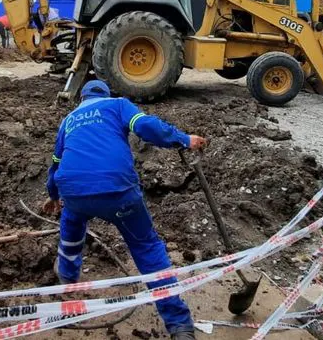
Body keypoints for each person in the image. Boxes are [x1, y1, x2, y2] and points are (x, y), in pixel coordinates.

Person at [43, 80, 207, 340]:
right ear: (106, 94)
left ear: (82, 98)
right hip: (117, 188)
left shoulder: (69, 120)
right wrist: (183, 139)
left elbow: (55, 166)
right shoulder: (117, 105)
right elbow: (144, 126)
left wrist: (53, 196)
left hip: (72, 190)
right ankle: (179, 325)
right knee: (147, 247)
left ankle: (68, 281)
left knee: (71, 227)